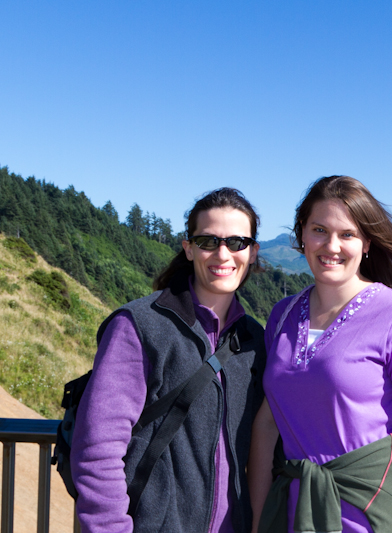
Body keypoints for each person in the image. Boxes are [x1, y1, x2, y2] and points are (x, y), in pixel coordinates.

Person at [249, 176, 392, 533]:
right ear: (302, 236)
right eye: (319, 230)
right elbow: (267, 424)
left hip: (367, 519)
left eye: (347, 234)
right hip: (288, 516)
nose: (332, 245)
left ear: (367, 243)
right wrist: (258, 519)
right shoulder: (281, 316)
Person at [71, 187, 266, 532]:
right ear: (188, 249)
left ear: (252, 253)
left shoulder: (254, 341)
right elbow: (98, 449)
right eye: (208, 241)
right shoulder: (139, 326)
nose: (223, 254)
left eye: (237, 242)